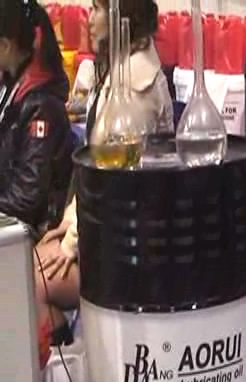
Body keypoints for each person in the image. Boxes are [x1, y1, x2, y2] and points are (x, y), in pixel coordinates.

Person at [35, 0, 174, 334]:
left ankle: (63, 352)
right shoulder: (120, 69)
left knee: (30, 281)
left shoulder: (135, 87)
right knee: (25, 264)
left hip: (130, 247)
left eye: (97, 9)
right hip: (107, 230)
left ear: (121, 16)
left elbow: (114, 184)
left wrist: (70, 243)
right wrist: (69, 224)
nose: (90, 18)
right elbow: (95, 171)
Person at [0, 0, 74, 232]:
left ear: (5, 46)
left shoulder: (41, 106)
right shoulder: (11, 87)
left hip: (32, 231)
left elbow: (27, 199)